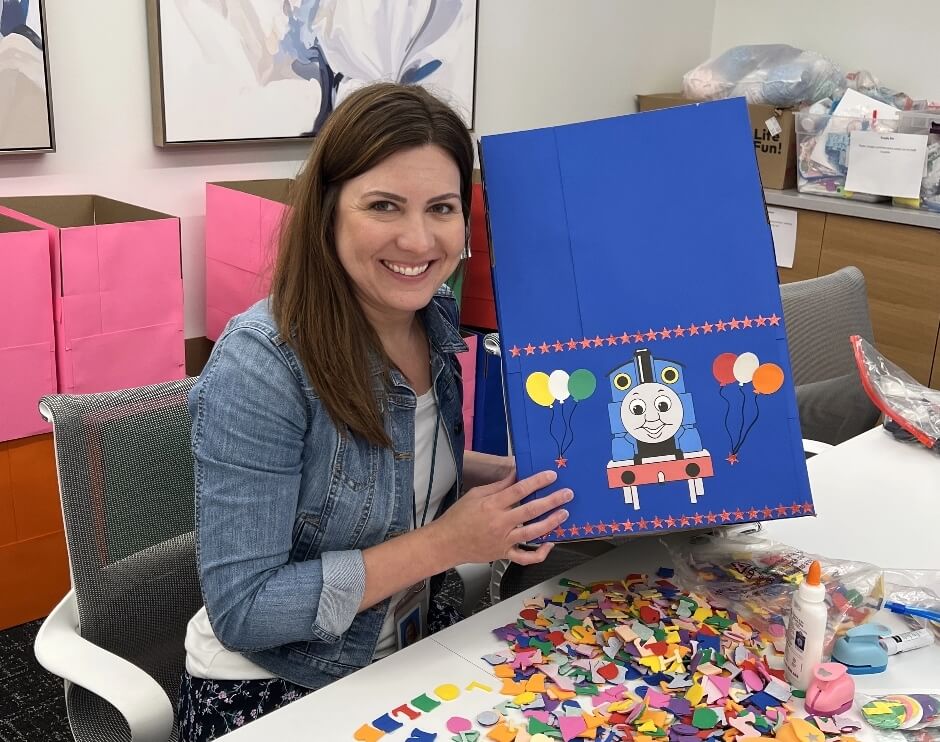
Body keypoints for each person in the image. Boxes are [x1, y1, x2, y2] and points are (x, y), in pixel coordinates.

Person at [176, 82, 573, 741]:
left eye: (442, 208)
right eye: (384, 205)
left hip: (417, 645)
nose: (418, 239)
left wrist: (501, 477)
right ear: (329, 211)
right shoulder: (261, 365)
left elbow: (394, 463)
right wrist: (449, 542)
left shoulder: (434, 319)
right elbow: (245, 609)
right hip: (284, 681)